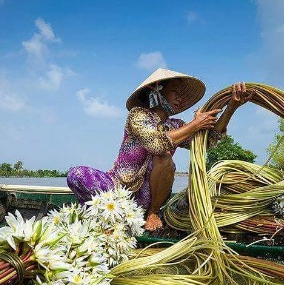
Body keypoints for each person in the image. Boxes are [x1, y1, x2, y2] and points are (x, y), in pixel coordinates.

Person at [67, 68, 251, 231]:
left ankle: (153, 214)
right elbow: (156, 143)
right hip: (118, 189)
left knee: (164, 158)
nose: (180, 98)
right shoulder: (138, 115)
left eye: (182, 94)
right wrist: (195, 124)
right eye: (175, 92)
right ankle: (113, 216)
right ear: (157, 90)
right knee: (76, 174)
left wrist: (231, 107)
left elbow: (208, 142)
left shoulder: (176, 125)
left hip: (147, 199)